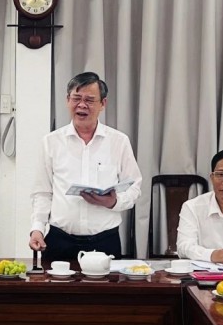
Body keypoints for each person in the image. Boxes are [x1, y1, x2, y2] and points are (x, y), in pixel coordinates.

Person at [30, 72, 143, 266]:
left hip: (104, 241)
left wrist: (114, 201)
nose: (82, 105)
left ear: (103, 103)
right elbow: (42, 192)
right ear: (68, 100)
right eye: (76, 98)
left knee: (105, 287)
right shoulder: (51, 142)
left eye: (89, 100)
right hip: (60, 240)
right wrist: (37, 228)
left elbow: (134, 187)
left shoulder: (119, 141)